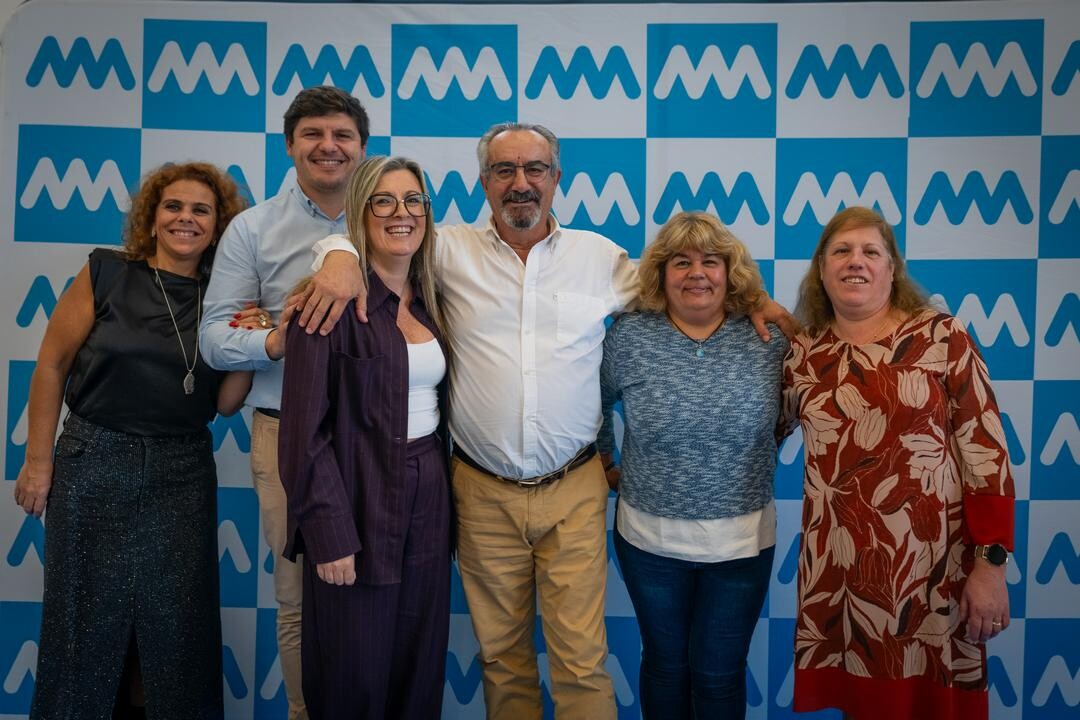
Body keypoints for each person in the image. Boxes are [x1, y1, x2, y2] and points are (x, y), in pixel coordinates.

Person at [311, 122, 796, 718]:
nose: (521, 183)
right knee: (502, 659)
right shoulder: (444, 251)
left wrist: (755, 300)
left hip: (574, 490)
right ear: (483, 182)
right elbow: (372, 239)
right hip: (480, 490)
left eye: (535, 169)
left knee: (581, 661)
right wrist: (336, 254)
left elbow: (685, 284)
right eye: (505, 170)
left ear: (556, 178)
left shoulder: (600, 258)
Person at [12, 162, 257, 719]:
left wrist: (249, 343)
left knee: (176, 631)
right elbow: (51, 365)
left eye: (201, 210)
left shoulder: (225, 299)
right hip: (93, 462)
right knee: (83, 622)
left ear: (218, 227)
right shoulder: (106, 271)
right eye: (174, 206)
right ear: (151, 218)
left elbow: (225, 404)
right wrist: (38, 462)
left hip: (181, 473)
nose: (185, 219)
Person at [781, 206, 1014, 720]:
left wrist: (990, 566)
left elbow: (987, 454)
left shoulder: (941, 336)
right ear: (821, 269)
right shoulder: (803, 352)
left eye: (871, 251)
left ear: (892, 268)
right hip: (841, 576)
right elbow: (752, 434)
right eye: (841, 251)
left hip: (934, 573)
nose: (855, 261)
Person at [199, 85, 369, 719]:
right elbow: (215, 337)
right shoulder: (253, 228)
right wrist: (274, 340)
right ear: (290, 145)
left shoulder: (389, 217)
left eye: (342, 135)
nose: (329, 146)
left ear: (362, 147)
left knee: (380, 587)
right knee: (298, 595)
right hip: (283, 429)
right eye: (313, 135)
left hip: (381, 433)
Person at [277, 155, 451, 719]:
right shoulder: (326, 303)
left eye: (414, 200)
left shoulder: (433, 299)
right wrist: (328, 535)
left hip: (430, 493)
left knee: (418, 664)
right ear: (360, 210)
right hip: (356, 492)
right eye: (384, 200)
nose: (402, 213)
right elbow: (302, 436)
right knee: (353, 673)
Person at [599, 212, 786, 719]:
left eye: (710, 261)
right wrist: (605, 463)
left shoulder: (768, 340)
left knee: (719, 675)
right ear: (661, 274)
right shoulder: (629, 337)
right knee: (665, 666)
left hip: (742, 543)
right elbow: (594, 401)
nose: (696, 273)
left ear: (730, 272)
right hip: (650, 543)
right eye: (681, 262)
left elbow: (792, 410)